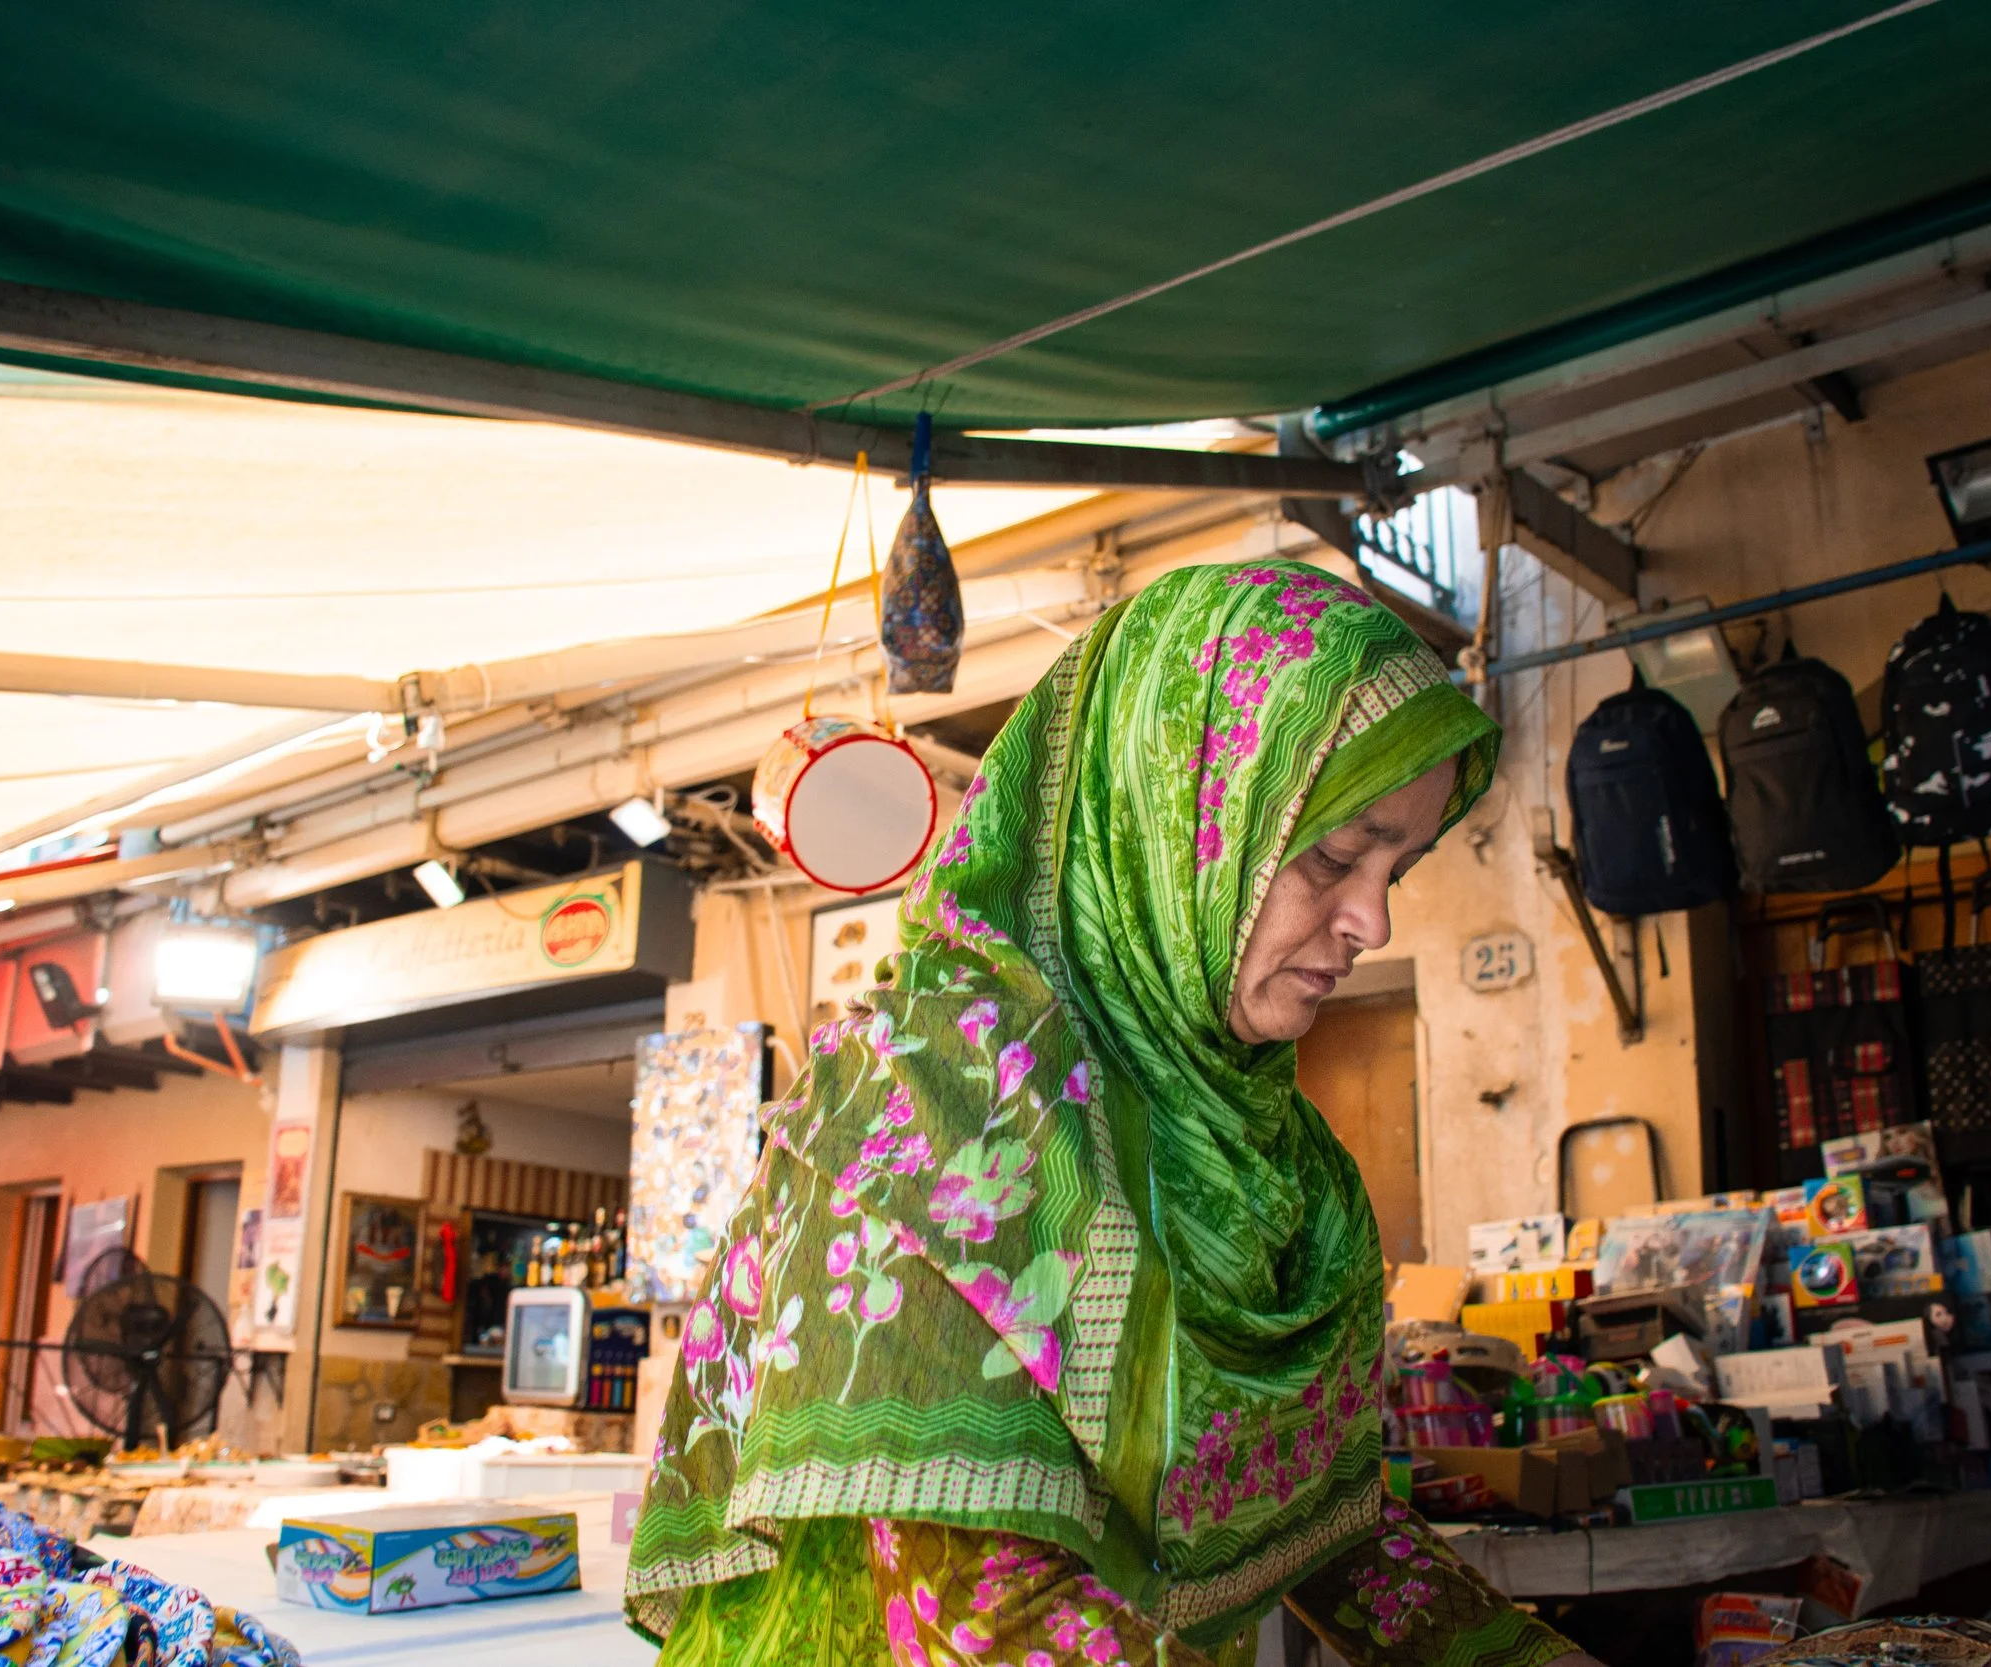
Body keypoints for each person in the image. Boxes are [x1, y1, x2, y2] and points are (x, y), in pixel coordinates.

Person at [628, 562, 1602, 1667]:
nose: (1370, 918)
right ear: (1177, 814)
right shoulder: (927, 1111)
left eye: (1401, 865)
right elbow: (977, 1607)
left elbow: (1331, 1531)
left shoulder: (1278, 1163)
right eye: (1331, 854)